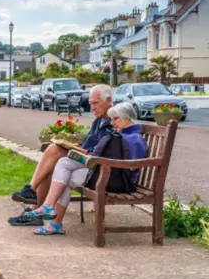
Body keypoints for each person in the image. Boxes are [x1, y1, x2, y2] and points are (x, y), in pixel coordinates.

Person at [23, 102, 148, 235]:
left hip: (118, 181)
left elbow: (131, 167)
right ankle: (52, 218)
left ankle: (51, 214)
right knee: (64, 166)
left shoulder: (134, 139)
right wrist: (88, 157)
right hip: (107, 173)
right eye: (111, 119)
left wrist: (94, 160)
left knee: (64, 167)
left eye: (115, 119)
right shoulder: (123, 135)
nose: (112, 123)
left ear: (127, 118)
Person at [8, 84, 115, 226]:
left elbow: (102, 151)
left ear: (109, 100)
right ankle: (35, 208)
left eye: (96, 103)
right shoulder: (99, 120)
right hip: (88, 159)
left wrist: (78, 150)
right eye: (90, 103)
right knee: (52, 165)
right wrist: (73, 146)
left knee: (55, 150)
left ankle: (31, 190)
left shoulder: (115, 120)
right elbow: (89, 144)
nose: (92, 107)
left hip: (97, 165)